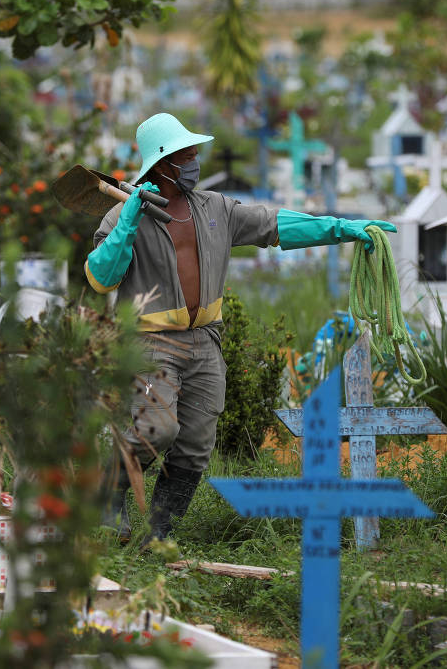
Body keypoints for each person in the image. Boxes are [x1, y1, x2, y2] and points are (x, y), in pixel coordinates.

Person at [85, 112, 395, 543]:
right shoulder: (123, 215)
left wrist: (343, 228)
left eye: (195, 153)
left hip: (204, 340)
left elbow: (275, 224)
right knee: (158, 428)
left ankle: (159, 536)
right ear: (161, 163)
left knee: (196, 445)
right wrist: (128, 222)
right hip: (150, 340)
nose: (195, 162)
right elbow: (101, 277)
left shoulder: (215, 209)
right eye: (186, 155)